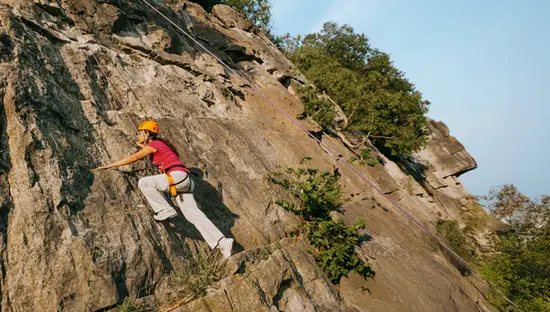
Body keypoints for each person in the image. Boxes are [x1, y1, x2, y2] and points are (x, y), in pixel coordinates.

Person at [94, 120, 234, 258]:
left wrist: (109, 166)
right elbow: (149, 151)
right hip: (185, 181)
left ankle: (164, 209)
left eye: (140, 133)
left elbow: (134, 158)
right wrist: (142, 145)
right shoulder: (157, 145)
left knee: (144, 182)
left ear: (147, 133)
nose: (138, 136)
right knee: (194, 216)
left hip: (177, 176)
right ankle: (223, 242)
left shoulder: (155, 144)